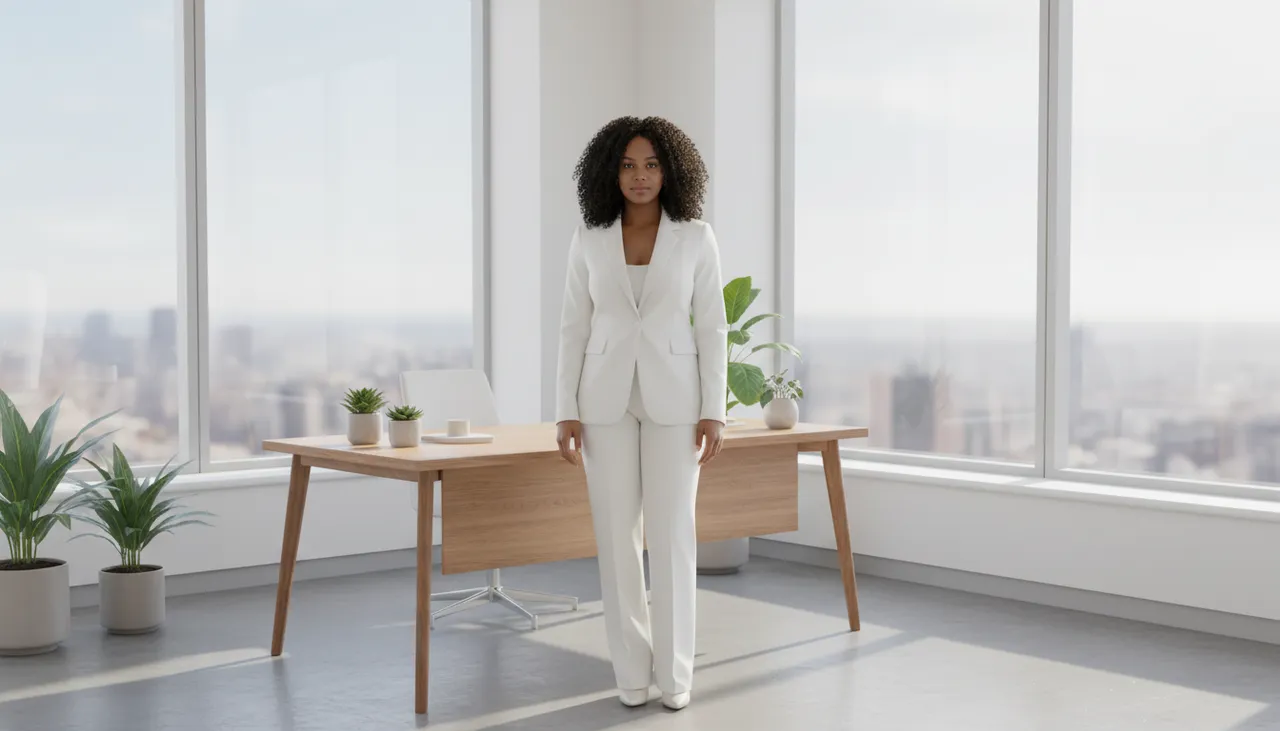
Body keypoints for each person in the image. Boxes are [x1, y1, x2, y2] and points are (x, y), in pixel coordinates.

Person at [554, 116, 728, 711]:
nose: (640, 176)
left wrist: (715, 410)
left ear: (670, 170)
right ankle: (630, 674)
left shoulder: (696, 238)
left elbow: (713, 327)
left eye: (651, 164)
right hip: (602, 400)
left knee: (674, 533)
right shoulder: (588, 238)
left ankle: (676, 677)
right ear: (611, 170)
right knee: (616, 538)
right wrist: (564, 411)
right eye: (628, 164)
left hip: (676, 401)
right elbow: (572, 329)